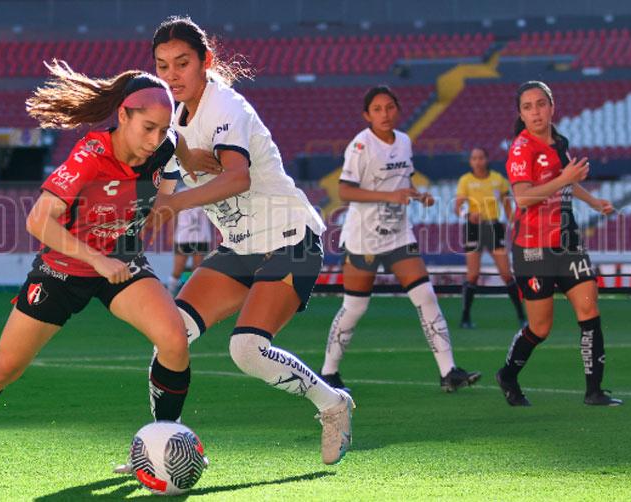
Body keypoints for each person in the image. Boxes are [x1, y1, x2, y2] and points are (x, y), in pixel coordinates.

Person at [0, 62, 199, 480]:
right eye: (148, 128)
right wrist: (97, 258)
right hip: (63, 270)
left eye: (163, 129)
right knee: (4, 368)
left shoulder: (165, 145)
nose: (156, 139)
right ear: (123, 116)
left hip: (121, 261)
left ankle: (157, 450)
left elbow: (187, 164)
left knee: (174, 339)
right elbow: (38, 222)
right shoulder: (90, 155)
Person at [145, 16, 354, 465]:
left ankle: (333, 404)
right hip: (240, 246)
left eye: (182, 63)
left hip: (290, 239)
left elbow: (237, 177)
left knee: (246, 348)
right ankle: (160, 449)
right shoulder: (175, 119)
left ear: (207, 61)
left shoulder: (226, 106)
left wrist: (174, 204)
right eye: (163, 66)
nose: (172, 75)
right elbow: (174, 181)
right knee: (169, 334)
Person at [319, 86, 482, 394]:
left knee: (426, 296)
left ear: (398, 110)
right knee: (355, 307)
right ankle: (328, 372)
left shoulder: (404, 141)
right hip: (363, 238)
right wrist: (388, 195)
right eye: (377, 109)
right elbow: (345, 191)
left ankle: (449, 372)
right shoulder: (360, 146)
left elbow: (401, 181)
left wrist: (417, 195)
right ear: (367, 115)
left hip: (397, 235)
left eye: (390, 107)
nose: (385, 114)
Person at [495, 81, 621, 407]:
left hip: (568, 243)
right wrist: (566, 179)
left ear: (552, 106)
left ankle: (594, 391)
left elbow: (564, 182)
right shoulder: (521, 149)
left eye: (541, 104)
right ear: (521, 115)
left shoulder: (559, 141)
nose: (536, 112)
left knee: (589, 308)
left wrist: (593, 201)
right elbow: (522, 197)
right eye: (528, 107)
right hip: (532, 248)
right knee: (540, 327)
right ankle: (507, 374)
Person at [454, 147, 526, 328]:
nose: (477, 161)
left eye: (480, 157)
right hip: (473, 227)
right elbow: (457, 207)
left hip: (494, 226)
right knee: (473, 275)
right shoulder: (465, 181)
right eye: (474, 158)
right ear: (470, 162)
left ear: (486, 159)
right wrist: (467, 215)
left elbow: (507, 205)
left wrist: (513, 223)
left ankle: (522, 316)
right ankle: (465, 318)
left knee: (506, 274)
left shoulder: (498, 179)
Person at [167, 183, 214, 295]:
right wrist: (171, 233)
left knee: (197, 270)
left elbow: (212, 214)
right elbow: (174, 214)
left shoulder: (206, 190)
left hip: (201, 236)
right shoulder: (180, 192)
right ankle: (169, 294)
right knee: (178, 269)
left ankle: (193, 295)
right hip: (183, 236)